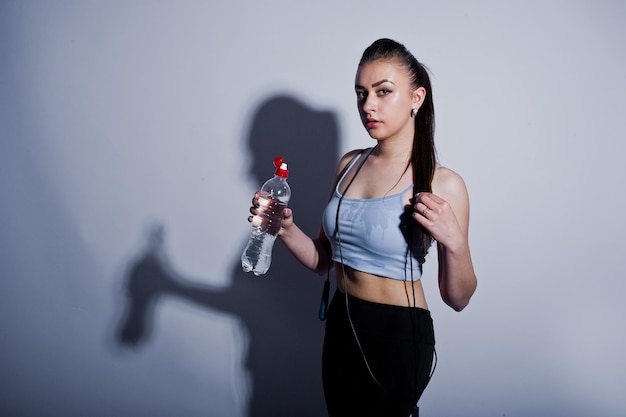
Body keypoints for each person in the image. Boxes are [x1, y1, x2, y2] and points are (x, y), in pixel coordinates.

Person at [247, 38, 477, 417]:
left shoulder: (442, 182)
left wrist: (455, 243)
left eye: (383, 92)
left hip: (398, 335)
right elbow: (325, 261)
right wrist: (286, 229)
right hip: (342, 323)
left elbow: (458, 298)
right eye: (361, 93)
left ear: (416, 98)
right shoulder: (349, 165)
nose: (367, 105)